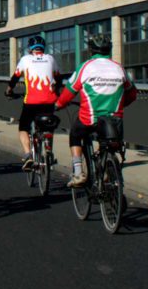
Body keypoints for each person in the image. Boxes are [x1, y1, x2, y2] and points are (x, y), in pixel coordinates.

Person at [55, 33, 137, 188]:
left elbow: (68, 93)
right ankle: (106, 169)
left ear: (90, 50)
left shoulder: (85, 67)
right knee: (107, 142)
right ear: (109, 50)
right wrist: (119, 106)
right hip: (115, 120)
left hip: (90, 119)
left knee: (75, 134)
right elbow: (132, 94)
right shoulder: (119, 68)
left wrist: (57, 105)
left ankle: (78, 172)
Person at [5, 35, 62, 171]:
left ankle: (28, 155)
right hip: (49, 100)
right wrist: (56, 89)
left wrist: (9, 90)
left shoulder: (25, 59)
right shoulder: (50, 58)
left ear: (30, 49)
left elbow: (15, 77)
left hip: (31, 101)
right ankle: (48, 151)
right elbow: (59, 78)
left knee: (23, 127)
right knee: (48, 126)